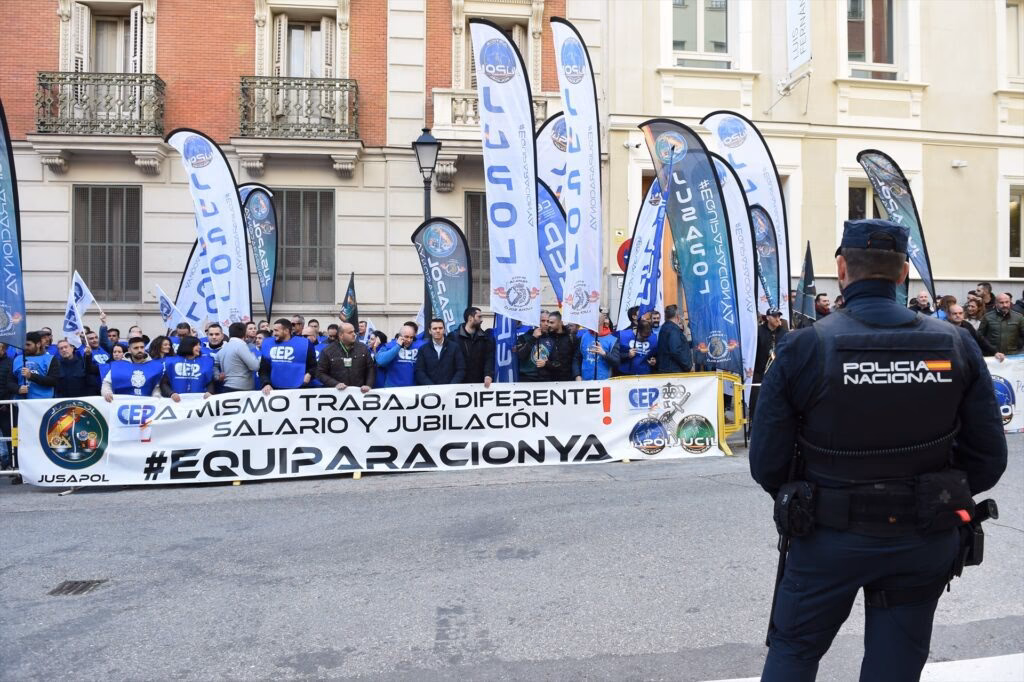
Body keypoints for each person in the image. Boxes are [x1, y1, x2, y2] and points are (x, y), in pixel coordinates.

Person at [750, 219, 1007, 681]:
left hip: (829, 534)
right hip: (922, 533)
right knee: (896, 665)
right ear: (904, 271)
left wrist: (814, 497)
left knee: (795, 652)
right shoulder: (956, 341)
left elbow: (767, 461)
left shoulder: (803, 345)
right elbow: (988, 456)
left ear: (842, 269)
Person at [259, 318, 316, 394]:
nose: (274, 333)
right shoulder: (268, 344)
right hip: (274, 389)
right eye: (273, 330)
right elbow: (263, 369)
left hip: (299, 388)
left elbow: (314, 366)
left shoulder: (305, 344)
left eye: (276, 330)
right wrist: (266, 383)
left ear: (286, 331)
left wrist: (309, 374)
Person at [317, 322, 374, 392]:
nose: (354, 334)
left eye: (354, 331)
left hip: (359, 393)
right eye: (350, 333)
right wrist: (335, 384)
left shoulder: (363, 348)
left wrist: (368, 385)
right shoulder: (328, 351)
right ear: (341, 335)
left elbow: (370, 368)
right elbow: (320, 373)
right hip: (337, 394)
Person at [519, 311, 575, 382]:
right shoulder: (525, 337)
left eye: (548, 321)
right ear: (537, 321)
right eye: (543, 321)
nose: (546, 324)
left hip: (547, 380)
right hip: (527, 379)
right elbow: (520, 356)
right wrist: (533, 338)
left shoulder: (554, 338)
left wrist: (546, 363)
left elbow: (559, 363)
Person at [102, 337, 164, 402]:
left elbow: (157, 387)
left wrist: (156, 398)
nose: (139, 350)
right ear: (129, 350)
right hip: (121, 404)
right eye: (136, 348)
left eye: (142, 347)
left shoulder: (155, 366)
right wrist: (107, 393)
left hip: (146, 405)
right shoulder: (118, 366)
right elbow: (107, 383)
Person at [448, 306, 494, 387]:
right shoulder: (453, 337)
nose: (482, 320)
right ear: (470, 318)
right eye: (479, 317)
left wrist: (488, 375)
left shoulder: (485, 338)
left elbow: (489, 358)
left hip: (480, 383)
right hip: (458, 383)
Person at [161, 336, 215, 401]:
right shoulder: (172, 362)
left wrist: (209, 392)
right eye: (196, 345)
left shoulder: (206, 362)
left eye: (199, 345)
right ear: (188, 345)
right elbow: (164, 383)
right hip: (176, 403)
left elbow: (210, 381)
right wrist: (171, 394)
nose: (199, 347)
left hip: (199, 402)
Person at [414, 318, 465, 385]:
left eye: (440, 328)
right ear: (429, 331)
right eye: (435, 328)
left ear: (444, 330)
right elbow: (420, 371)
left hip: (451, 391)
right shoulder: (423, 349)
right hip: (430, 391)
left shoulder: (454, 347)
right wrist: (431, 386)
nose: (438, 331)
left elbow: (461, 369)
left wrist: (452, 385)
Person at [375, 323, 425, 388]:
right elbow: (380, 361)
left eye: (411, 337)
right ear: (399, 336)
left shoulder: (418, 345)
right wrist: (397, 346)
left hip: (413, 390)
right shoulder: (389, 346)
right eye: (406, 337)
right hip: (393, 390)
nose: (409, 340)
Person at [575, 311, 621, 381]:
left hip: (605, 382)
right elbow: (576, 358)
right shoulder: (583, 337)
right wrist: (577, 375)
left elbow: (616, 362)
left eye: (597, 321)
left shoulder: (613, 340)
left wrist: (604, 353)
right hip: (584, 381)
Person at [14, 331, 60, 400]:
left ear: (38, 344)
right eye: (24, 345)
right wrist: (17, 389)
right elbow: (10, 381)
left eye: (28, 345)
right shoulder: (17, 359)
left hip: (43, 402)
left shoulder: (50, 359)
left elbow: (54, 381)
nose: (25, 347)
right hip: (21, 403)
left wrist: (31, 376)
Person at [217, 322, 261, 392]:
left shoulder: (223, 348)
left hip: (227, 387)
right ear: (245, 333)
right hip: (241, 389)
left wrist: (217, 375)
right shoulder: (241, 346)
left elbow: (215, 363)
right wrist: (254, 355)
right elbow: (255, 366)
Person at [655, 304, 692, 374]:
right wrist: (687, 365)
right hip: (674, 370)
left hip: (667, 369)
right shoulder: (673, 330)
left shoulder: (664, 327)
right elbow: (676, 350)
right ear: (677, 316)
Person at [0, 342, 16, 469]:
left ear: (4, 349)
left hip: (5, 406)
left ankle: (13, 463)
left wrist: (6, 401)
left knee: (10, 436)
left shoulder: (11, 362)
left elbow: (10, 384)